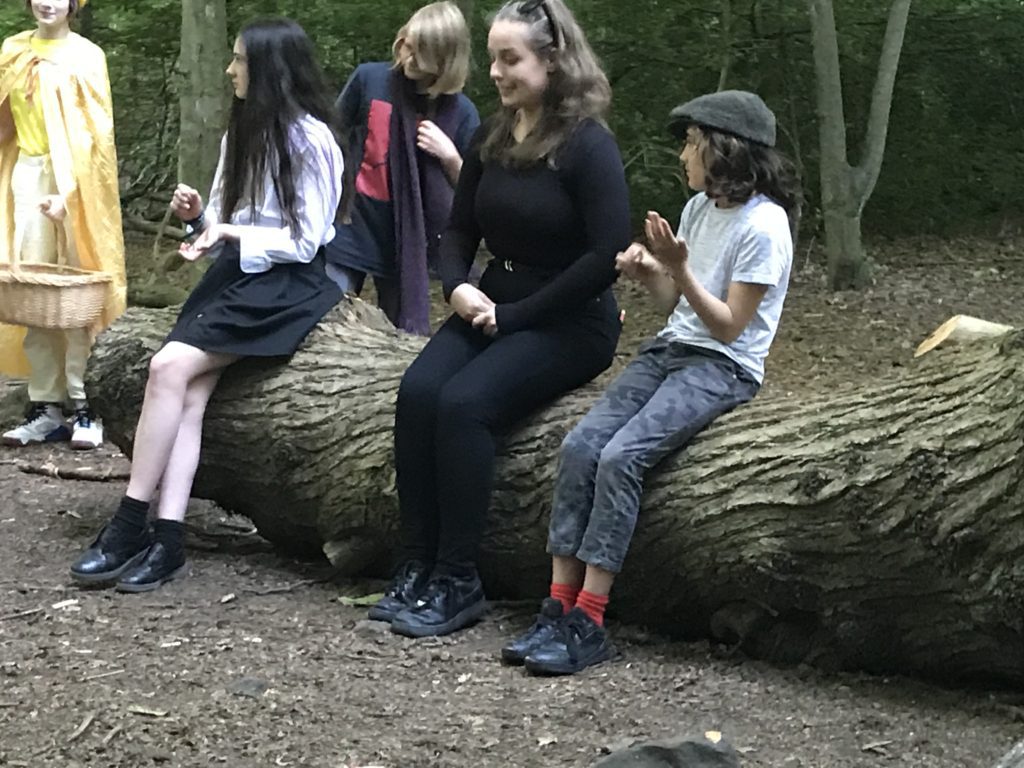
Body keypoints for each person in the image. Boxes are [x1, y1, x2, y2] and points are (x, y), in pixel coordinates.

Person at [502, 90, 801, 675]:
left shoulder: (765, 227)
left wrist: (680, 268)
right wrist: (650, 273)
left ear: (725, 150)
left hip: (723, 367)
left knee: (622, 458)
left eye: (691, 144)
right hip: (670, 350)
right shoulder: (698, 209)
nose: (683, 156)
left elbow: (728, 326)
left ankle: (589, 620)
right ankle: (556, 607)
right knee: (580, 446)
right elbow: (676, 309)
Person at [369, 0, 631, 638]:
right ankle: (417, 563)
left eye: (510, 59)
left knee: (465, 404)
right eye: (492, 58)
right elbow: (459, 229)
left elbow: (605, 257)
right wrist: (458, 286)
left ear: (552, 60)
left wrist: (516, 316)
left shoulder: (587, 145)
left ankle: (459, 578)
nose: (495, 72)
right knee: (419, 391)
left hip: (570, 320)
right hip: (492, 302)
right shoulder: (492, 135)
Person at [68, 17, 344, 592]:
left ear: (268, 69)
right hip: (235, 278)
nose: (229, 69)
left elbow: (305, 241)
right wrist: (200, 221)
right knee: (190, 392)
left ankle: (128, 522)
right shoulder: (241, 132)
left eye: (239, 60)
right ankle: (168, 538)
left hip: (289, 286)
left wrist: (229, 234)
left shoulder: (313, 140)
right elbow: (222, 224)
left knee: (168, 367)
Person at [0, 0, 127, 450]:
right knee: (33, 293)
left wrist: (69, 194)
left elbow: (95, 136)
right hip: (27, 175)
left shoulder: (87, 56)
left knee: (78, 294)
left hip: (76, 182)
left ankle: (86, 403)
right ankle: (45, 405)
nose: (46, 2)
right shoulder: (12, 50)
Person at [324, 1, 479, 335]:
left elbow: (475, 192)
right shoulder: (369, 79)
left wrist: (450, 156)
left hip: (405, 246)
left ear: (443, 59)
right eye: (407, 45)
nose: (409, 57)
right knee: (324, 314)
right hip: (351, 227)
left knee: (399, 336)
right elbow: (329, 140)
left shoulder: (461, 113)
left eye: (420, 52)